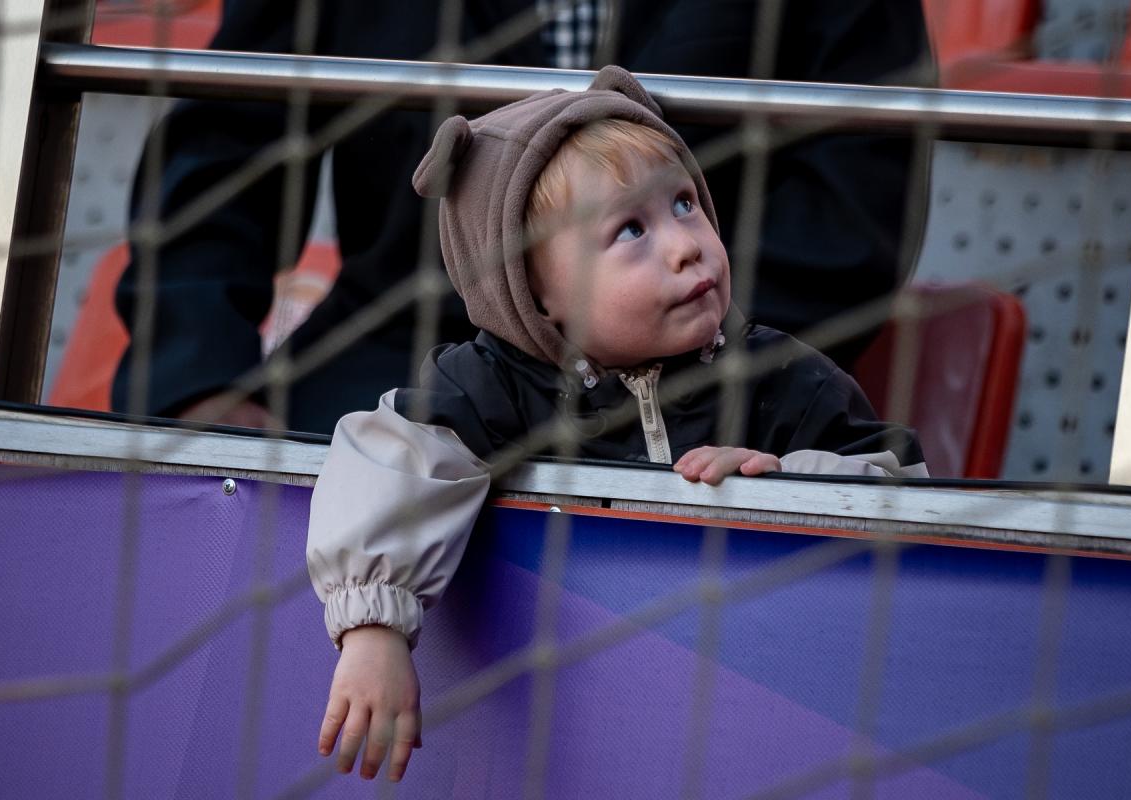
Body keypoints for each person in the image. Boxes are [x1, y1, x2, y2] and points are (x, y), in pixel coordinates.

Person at [306, 67, 928, 783]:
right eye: (631, 229)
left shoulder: (780, 375)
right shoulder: (489, 385)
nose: (686, 245)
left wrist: (787, 484)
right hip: (566, 728)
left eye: (685, 203)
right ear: (535, 292)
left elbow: (904, 488)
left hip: (756, 718)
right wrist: (374, 627)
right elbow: (390, 461)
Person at [111, 0, 932, 433]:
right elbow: (223, 146)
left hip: (712, 368)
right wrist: (197, 385)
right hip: (399, 352)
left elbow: (857, 185)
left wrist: (713, 368)